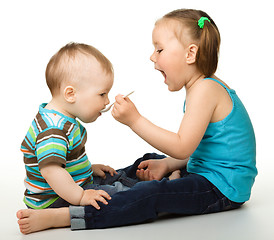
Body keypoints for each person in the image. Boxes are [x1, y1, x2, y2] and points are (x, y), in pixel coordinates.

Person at [17, 9, 257, 234]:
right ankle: (117, 186)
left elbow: (184, 146)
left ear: (190, 54)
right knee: (150, 162)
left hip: (223, 188)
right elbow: (200, 147)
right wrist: (169, 165)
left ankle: (69, 215)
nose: (152, 56)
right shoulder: (203, 88)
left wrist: (135, 120)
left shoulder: (205, 90)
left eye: (159, 50)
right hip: (205, 171)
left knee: (151, 196)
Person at [19, 42, 137, 212]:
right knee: (116, 196)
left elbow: (65, 162)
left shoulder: (62, 119)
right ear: (71, 94)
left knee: (117, 177)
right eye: (102, 94)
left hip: (70, 189)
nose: (107, 101)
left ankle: (154, 183)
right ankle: (157, 191)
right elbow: (52, 171)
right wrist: (81, 196)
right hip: (53, 200)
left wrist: (88, 169)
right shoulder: (53, 130)